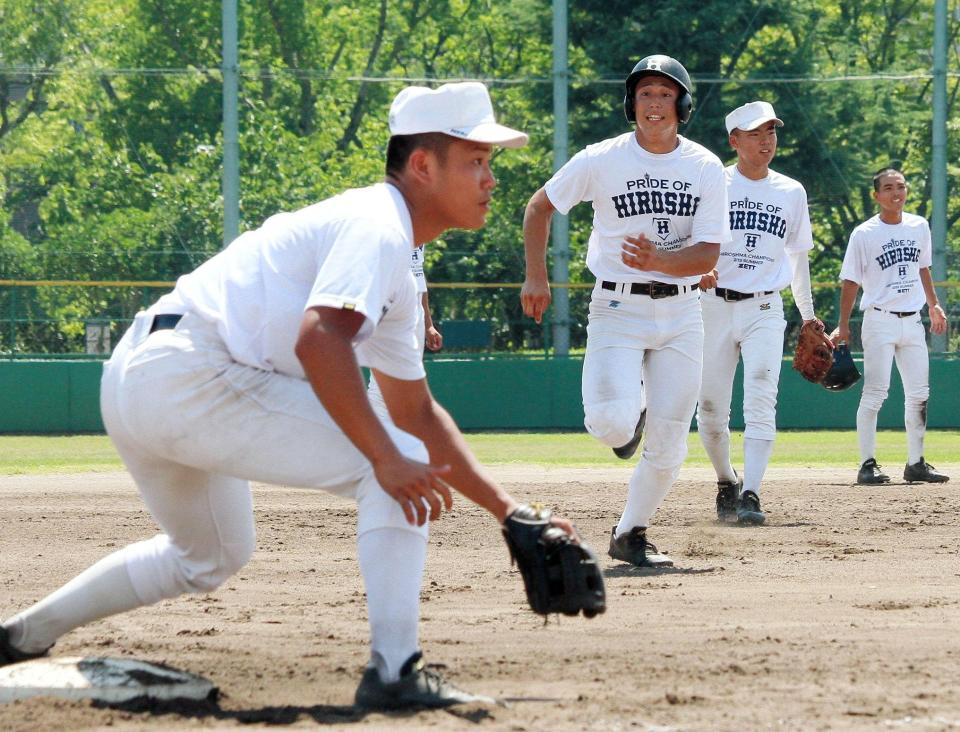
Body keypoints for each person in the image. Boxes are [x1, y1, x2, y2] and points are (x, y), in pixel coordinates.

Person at [0, 82, 577, 710]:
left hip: (143, 377)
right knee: (389, 462)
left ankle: (21, 635)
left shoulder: (393, 257)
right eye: (476, 160)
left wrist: (509, 512)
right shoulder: (378, 227)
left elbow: (414, 410)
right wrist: (384, 457)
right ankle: (394, 671)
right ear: (422, 165)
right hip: (193, 374)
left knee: (210, 555)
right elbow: (319, 340)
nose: (491, 178)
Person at [521, 54, 729, 567]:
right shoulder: (601, 158)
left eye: (665, 94)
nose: (654, 103)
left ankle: (630, 532)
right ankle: (632, 414)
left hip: (682, 313)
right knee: (611, 425)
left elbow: (708, 253)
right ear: (630, 104)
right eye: (644, 94)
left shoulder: (704, 166)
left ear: (682, 105)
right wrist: (536, 275)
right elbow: (539, 207)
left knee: (671, 442)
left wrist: (661, 261)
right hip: (617, 306)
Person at [695, 101, 821, 526]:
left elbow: (798, 259)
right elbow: (689, 241)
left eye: (771, 132)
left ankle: (752, 492)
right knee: (710, 410)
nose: (766, 141)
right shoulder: (713, 182)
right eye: (755, 134)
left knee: (762, 397)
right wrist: (693, 272)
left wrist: (808, 315)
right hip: (712, 305)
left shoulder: (791, 191)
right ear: (734, 140)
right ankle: (726, 480)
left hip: (765, 306)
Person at [837, 167, 949, 485]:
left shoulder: (919, 225)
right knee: (875, 393)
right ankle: (867, 464)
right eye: (888, 187)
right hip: (879, 320)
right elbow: (850, 281)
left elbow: (923, 267)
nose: (895, 192)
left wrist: (934, 304)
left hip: (912, 320)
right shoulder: (864, 233)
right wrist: (843, 326)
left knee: (919, 394)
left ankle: (916, 463)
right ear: (876, 195)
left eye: (900, 186)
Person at [368, 244, 442, 418]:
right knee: (382, 381)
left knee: (407, 377)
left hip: (414, 309)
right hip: (391, 305)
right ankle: (377, 431)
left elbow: (418, 275)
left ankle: (396, 430)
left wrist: (428, 324)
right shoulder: (386, 231)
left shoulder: (417, 233)